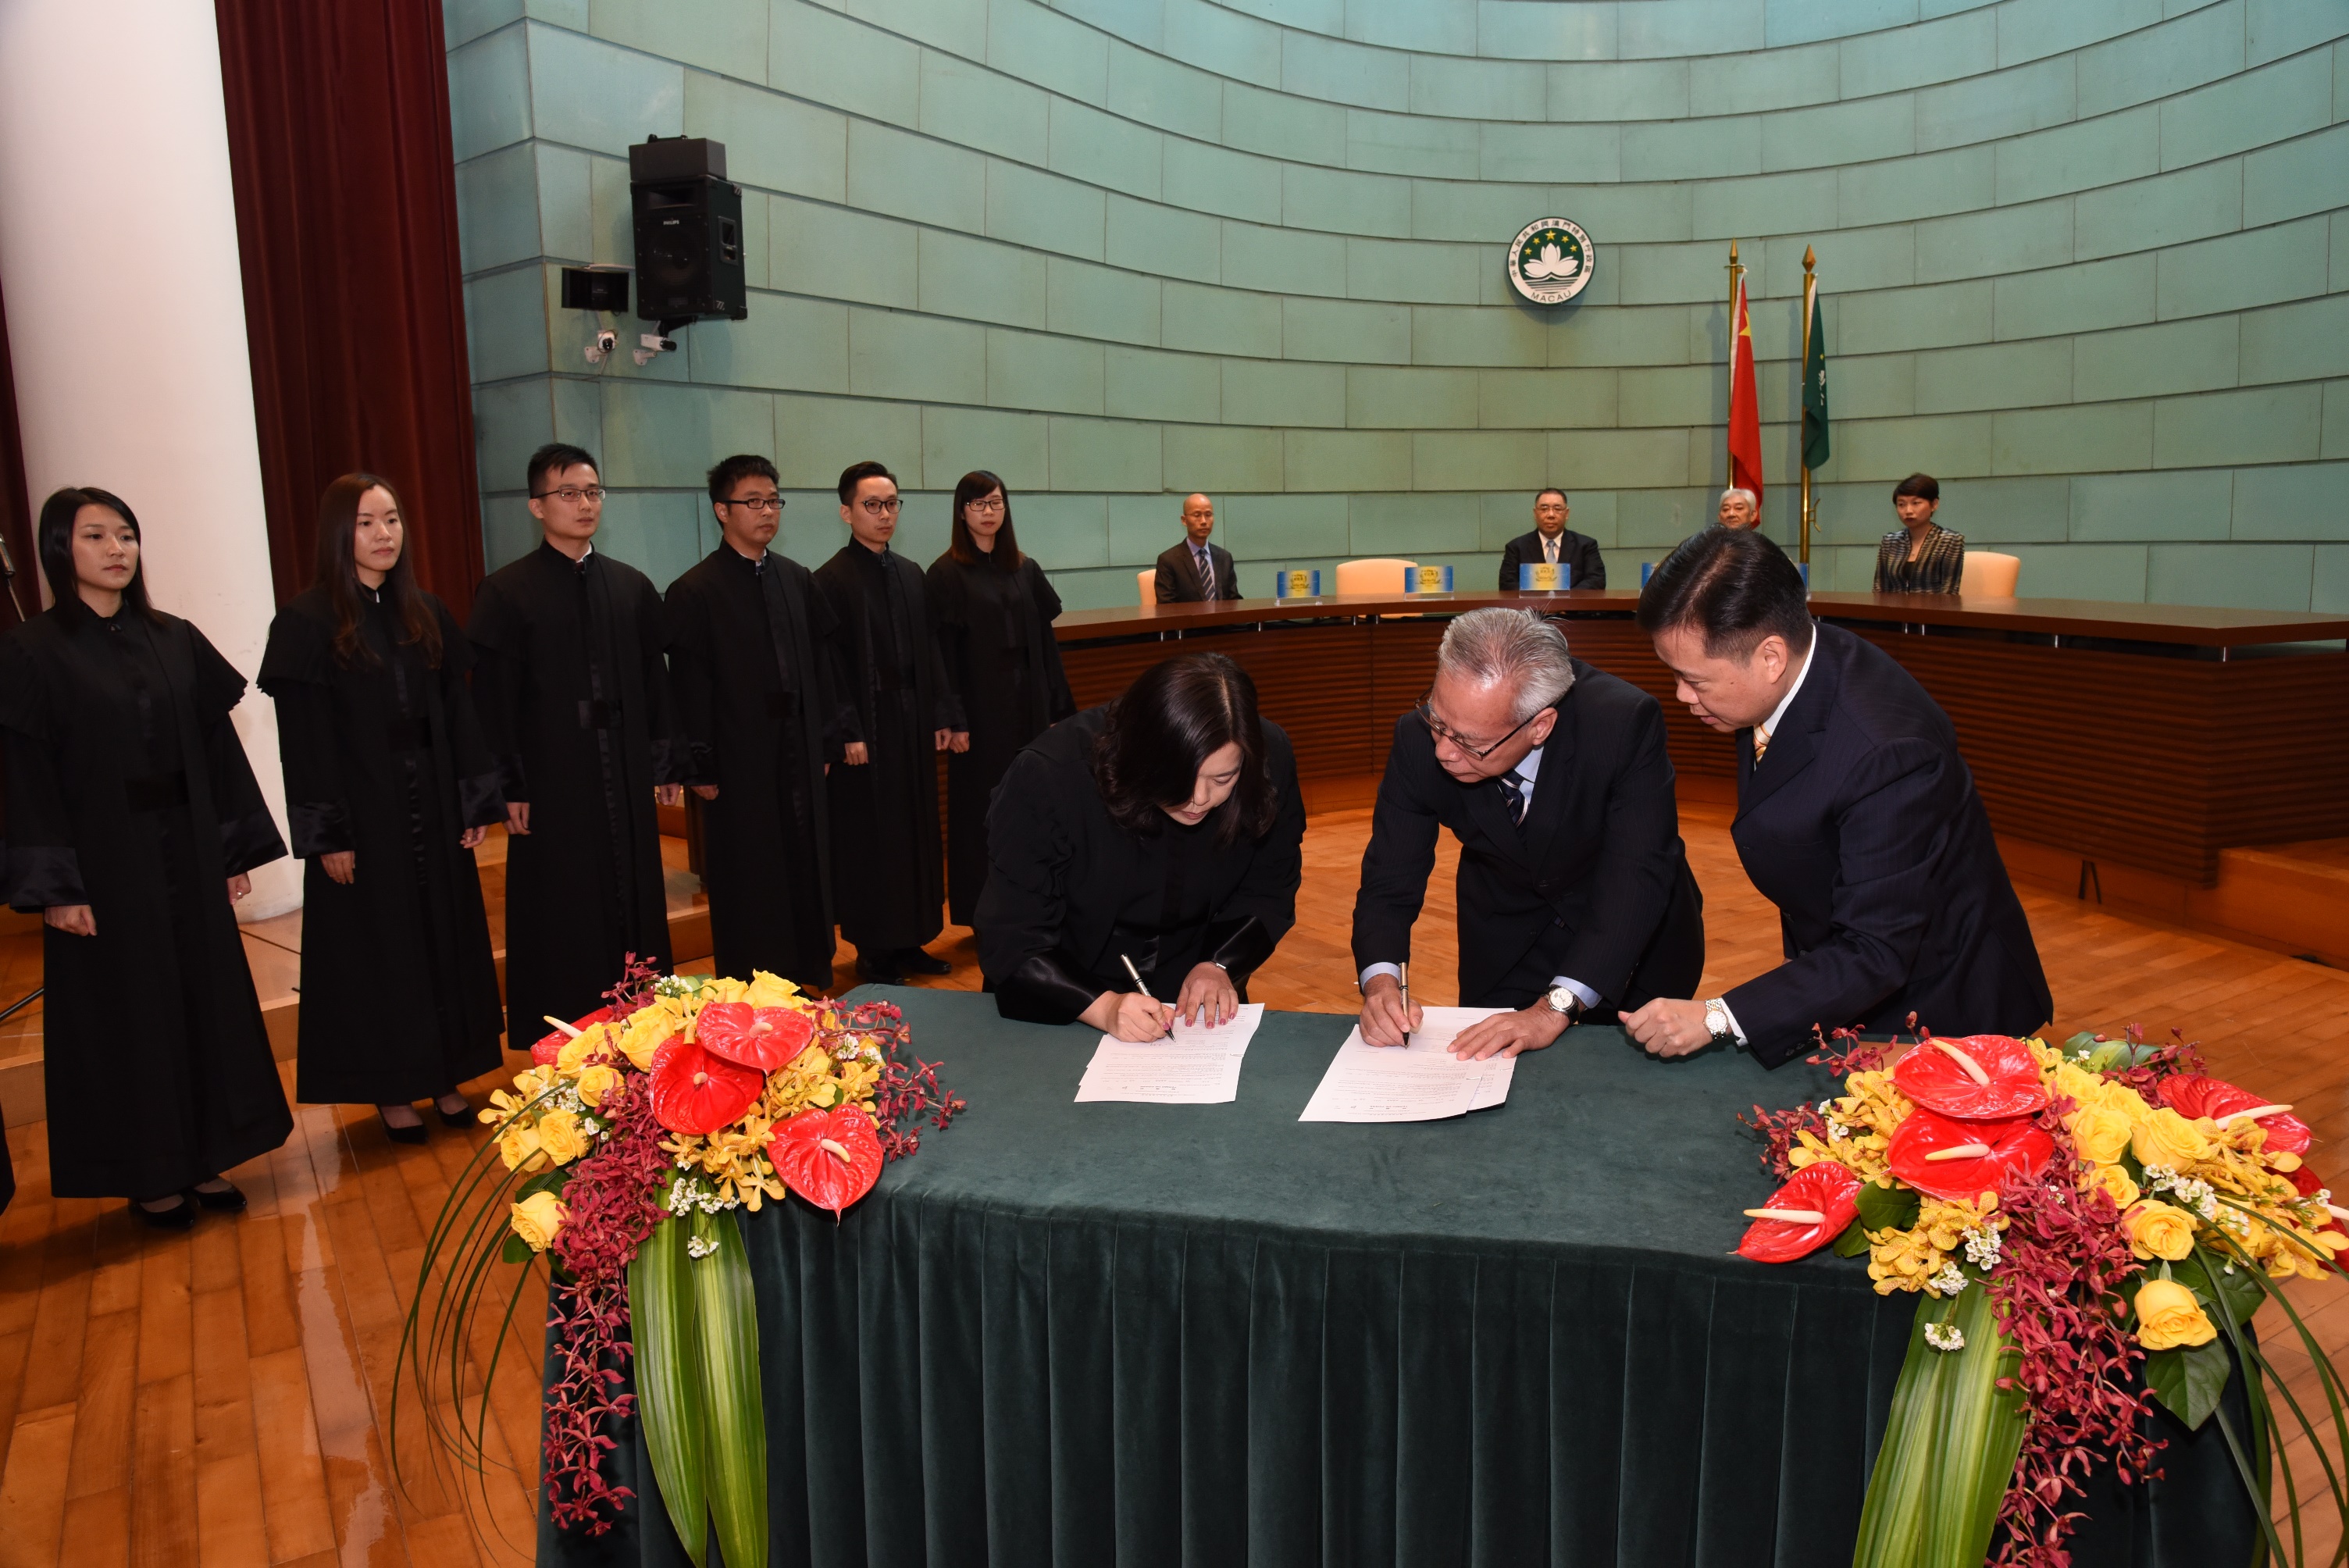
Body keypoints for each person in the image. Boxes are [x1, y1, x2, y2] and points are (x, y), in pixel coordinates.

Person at [1623, 528, 2051, 1065]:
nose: (1682, 696)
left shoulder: (1888, 752)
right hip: (1852, 976)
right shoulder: (1796, 665)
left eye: (1695, 681)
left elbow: (1877, 948)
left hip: (1942, 1010)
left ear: (1771, 657)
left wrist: (1718, 1017)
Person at [0, 486, 291, 1225]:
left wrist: (231, 849)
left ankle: (209, 1154)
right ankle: (151, 1172)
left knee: (201, 999)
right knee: (127, 1015)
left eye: (126, 535)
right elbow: (25, 780)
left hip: (186, 851)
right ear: (60, 549)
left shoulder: (176, 637)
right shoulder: (32, 650)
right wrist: (57, 885)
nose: (117, 549)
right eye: (96, 536)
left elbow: (219, 754)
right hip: (103, 865)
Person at [259, 474, 506, 1142]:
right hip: (363, 813)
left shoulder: (425, 610)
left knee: (444, 937)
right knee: (380, 950)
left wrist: (472, 799)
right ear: (339, 532)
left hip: (434, 801)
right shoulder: (307, 621)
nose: (383, 534)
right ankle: (393, 1087)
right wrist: (328, 833)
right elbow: (305, 743)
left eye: (392, 519)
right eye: (367, 522)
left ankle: (448, 1072)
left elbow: (458, 714)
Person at [1353, 608, 1704, 1061]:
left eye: (1470, 742)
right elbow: (1390, 875)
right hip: (1505, 936)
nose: (1443, 751)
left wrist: (1554, 1008)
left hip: (1630, 942)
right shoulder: (1418, 737)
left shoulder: (1621, 723)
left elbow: (1637, 875)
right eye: (1438, 721)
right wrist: (1380, 982)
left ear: (1540, 726)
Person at [467, 444, 684, 1045]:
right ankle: (565, 1036)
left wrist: (664, 759)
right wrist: (508, 786)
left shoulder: (631, 586)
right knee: (561, 900)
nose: (584, 504)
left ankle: (644, 1026)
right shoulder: (506, 592)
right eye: (568, 494)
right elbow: (493, 702)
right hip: (551, 775)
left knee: (636, 893)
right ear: (537, 506)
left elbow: (655, 681)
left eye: (592, 492)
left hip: (626, 770)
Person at [978, 651, 1305, 1039]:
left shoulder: (1269, 755)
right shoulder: (1050, 776)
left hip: (1193, 993)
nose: (1199, 799)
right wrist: (1104, 1007)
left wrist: (1219, 964)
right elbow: (1013, 938)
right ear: (1143, 754)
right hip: (1066, 990)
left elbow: (1270, 885)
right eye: (1179, 779)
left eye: (1222, 780)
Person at [664, 454, 850, 992]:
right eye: (753, 502)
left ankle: (808, 975)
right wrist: (699, 763)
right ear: (722, 510)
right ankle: (750, 988)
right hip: (738, 754)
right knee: (751, 871)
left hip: (799, 746)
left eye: (773, 501)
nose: (767, 512)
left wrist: (826, 742)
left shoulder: (797, 579)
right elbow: (689, 686)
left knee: (805, 862)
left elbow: (823, 669)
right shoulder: (695, 589)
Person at [814, 461, 963, 984]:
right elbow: (828, 667)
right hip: (867, 734)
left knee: (916, 831)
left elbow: (931, 650)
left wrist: (943, 713)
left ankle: (913, 939)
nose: (884, 514)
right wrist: (847, 730)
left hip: (911, 725)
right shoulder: (829, 580)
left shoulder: (911, 573)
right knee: (872, 839)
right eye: (872, 505)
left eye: (892, 504)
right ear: (846, 512)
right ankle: (874, 949)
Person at [927, 470, 1075, 929]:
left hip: (1028, 706)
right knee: (983, 812)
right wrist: (952, 718)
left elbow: (1047, 646)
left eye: (995, 503)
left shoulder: (1024, 568)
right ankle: (983, 913)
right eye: (978, 504)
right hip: (979, 713)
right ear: (962, 512)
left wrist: (1059, 711)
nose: (988, 512)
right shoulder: (946, 573)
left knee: (1034, 804)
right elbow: (940, 655)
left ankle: (1036, 904)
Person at [1873, 472, 1965, 593]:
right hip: (1894, 606)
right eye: (1901, 505)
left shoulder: (1950, 540)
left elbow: (1949, 592)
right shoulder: (1890, 542)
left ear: (1934, 504)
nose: (1908, 511)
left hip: (1934, 606)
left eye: (1916, 503)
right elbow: (1879, 589)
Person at [1496, 488, 1605, 590]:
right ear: (1535, 513)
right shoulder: (1516, 547)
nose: (1551, 515)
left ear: (1567, 513)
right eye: (1544, 509)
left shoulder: (1586, 546)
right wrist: (1539, 601)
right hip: (1532, 604)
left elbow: (1596, 581)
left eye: (1557, 509)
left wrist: (1564, 601)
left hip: (1573, 604)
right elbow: (1507, 584)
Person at [1153, 493, 1238, 604]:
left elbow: (1234, 601)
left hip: (1223, 615)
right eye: (1197, 515)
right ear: (1184, 520)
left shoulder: (1224, 557)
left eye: (1208, 515)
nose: (1204, 521)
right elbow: (1166, 606)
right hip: (1186, 616)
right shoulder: (1168, 560)